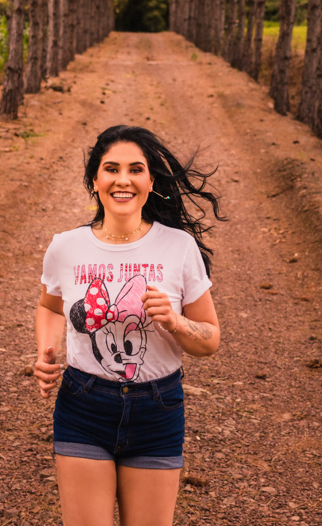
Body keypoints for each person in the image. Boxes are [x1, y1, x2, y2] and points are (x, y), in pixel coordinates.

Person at [34, 124, 225, 526]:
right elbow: (51, 307)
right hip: (83, 406)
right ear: (95, 180)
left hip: (157, 409)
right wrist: (46, 353)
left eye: (136, 169)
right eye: (111, 169)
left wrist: (175, 322)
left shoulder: (179, 247)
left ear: (151, 181)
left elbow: (209, 339)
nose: (123, 180)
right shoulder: (65, 247)